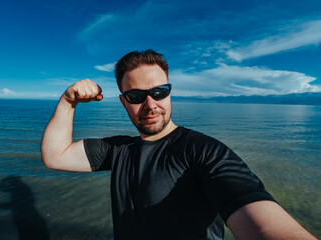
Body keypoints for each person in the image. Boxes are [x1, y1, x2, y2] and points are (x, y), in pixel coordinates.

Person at [41, 50, 317, 240]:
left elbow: (252, 207)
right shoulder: (118, 150)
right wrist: (68, 101)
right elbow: (56, 156)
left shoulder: (204, 151)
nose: (151, 104)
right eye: (137, 95)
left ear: (170, 93)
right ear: (124, 101)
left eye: (159, 92)